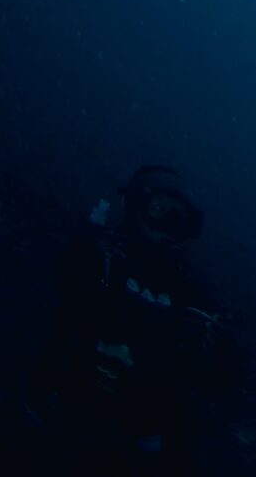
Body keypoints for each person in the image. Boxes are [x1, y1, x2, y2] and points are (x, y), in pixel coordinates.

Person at [46, 164, 241, 471]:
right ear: (133, 205)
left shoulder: (188, 289)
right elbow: (68, 299)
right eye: (158, 209)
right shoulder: (97, 254)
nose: (166, 223)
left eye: (177, 217)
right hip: (65, 409)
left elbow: (221, 383)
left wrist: (216, 350)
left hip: (144, 445)